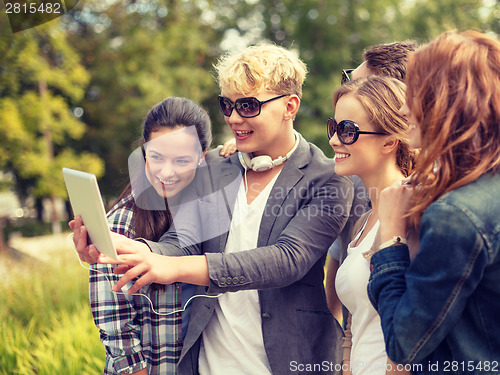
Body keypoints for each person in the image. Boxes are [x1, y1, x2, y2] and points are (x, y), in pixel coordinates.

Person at [91, 43, 353, 375]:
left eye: (247, 106)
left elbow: (288, 260)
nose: (232, 118)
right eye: (227, 105)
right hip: (210, 365)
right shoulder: (216, 165)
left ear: (290, 106)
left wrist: (174, 268)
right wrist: (128, 249)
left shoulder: (329, 178)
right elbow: (181, 241)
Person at [368, 30, 500, 374]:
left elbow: (404, 344)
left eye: (412, 93)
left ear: (442, 102)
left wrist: (393, 235)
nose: (401, 107)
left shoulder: (456, 216)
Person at [71, 97, 215, 375]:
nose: (167, 172)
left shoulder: (211, 208)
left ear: (202, 156)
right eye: (157, 157)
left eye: (182, 160)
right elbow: (117, 331)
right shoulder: (121, 224)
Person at [328, 76, 416, 375]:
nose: (334, 140)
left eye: (347, 131)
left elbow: (410, 328)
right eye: (334, 127)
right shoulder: (364, 221)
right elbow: (355, 324)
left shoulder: (413, 214)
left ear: (390, 141)